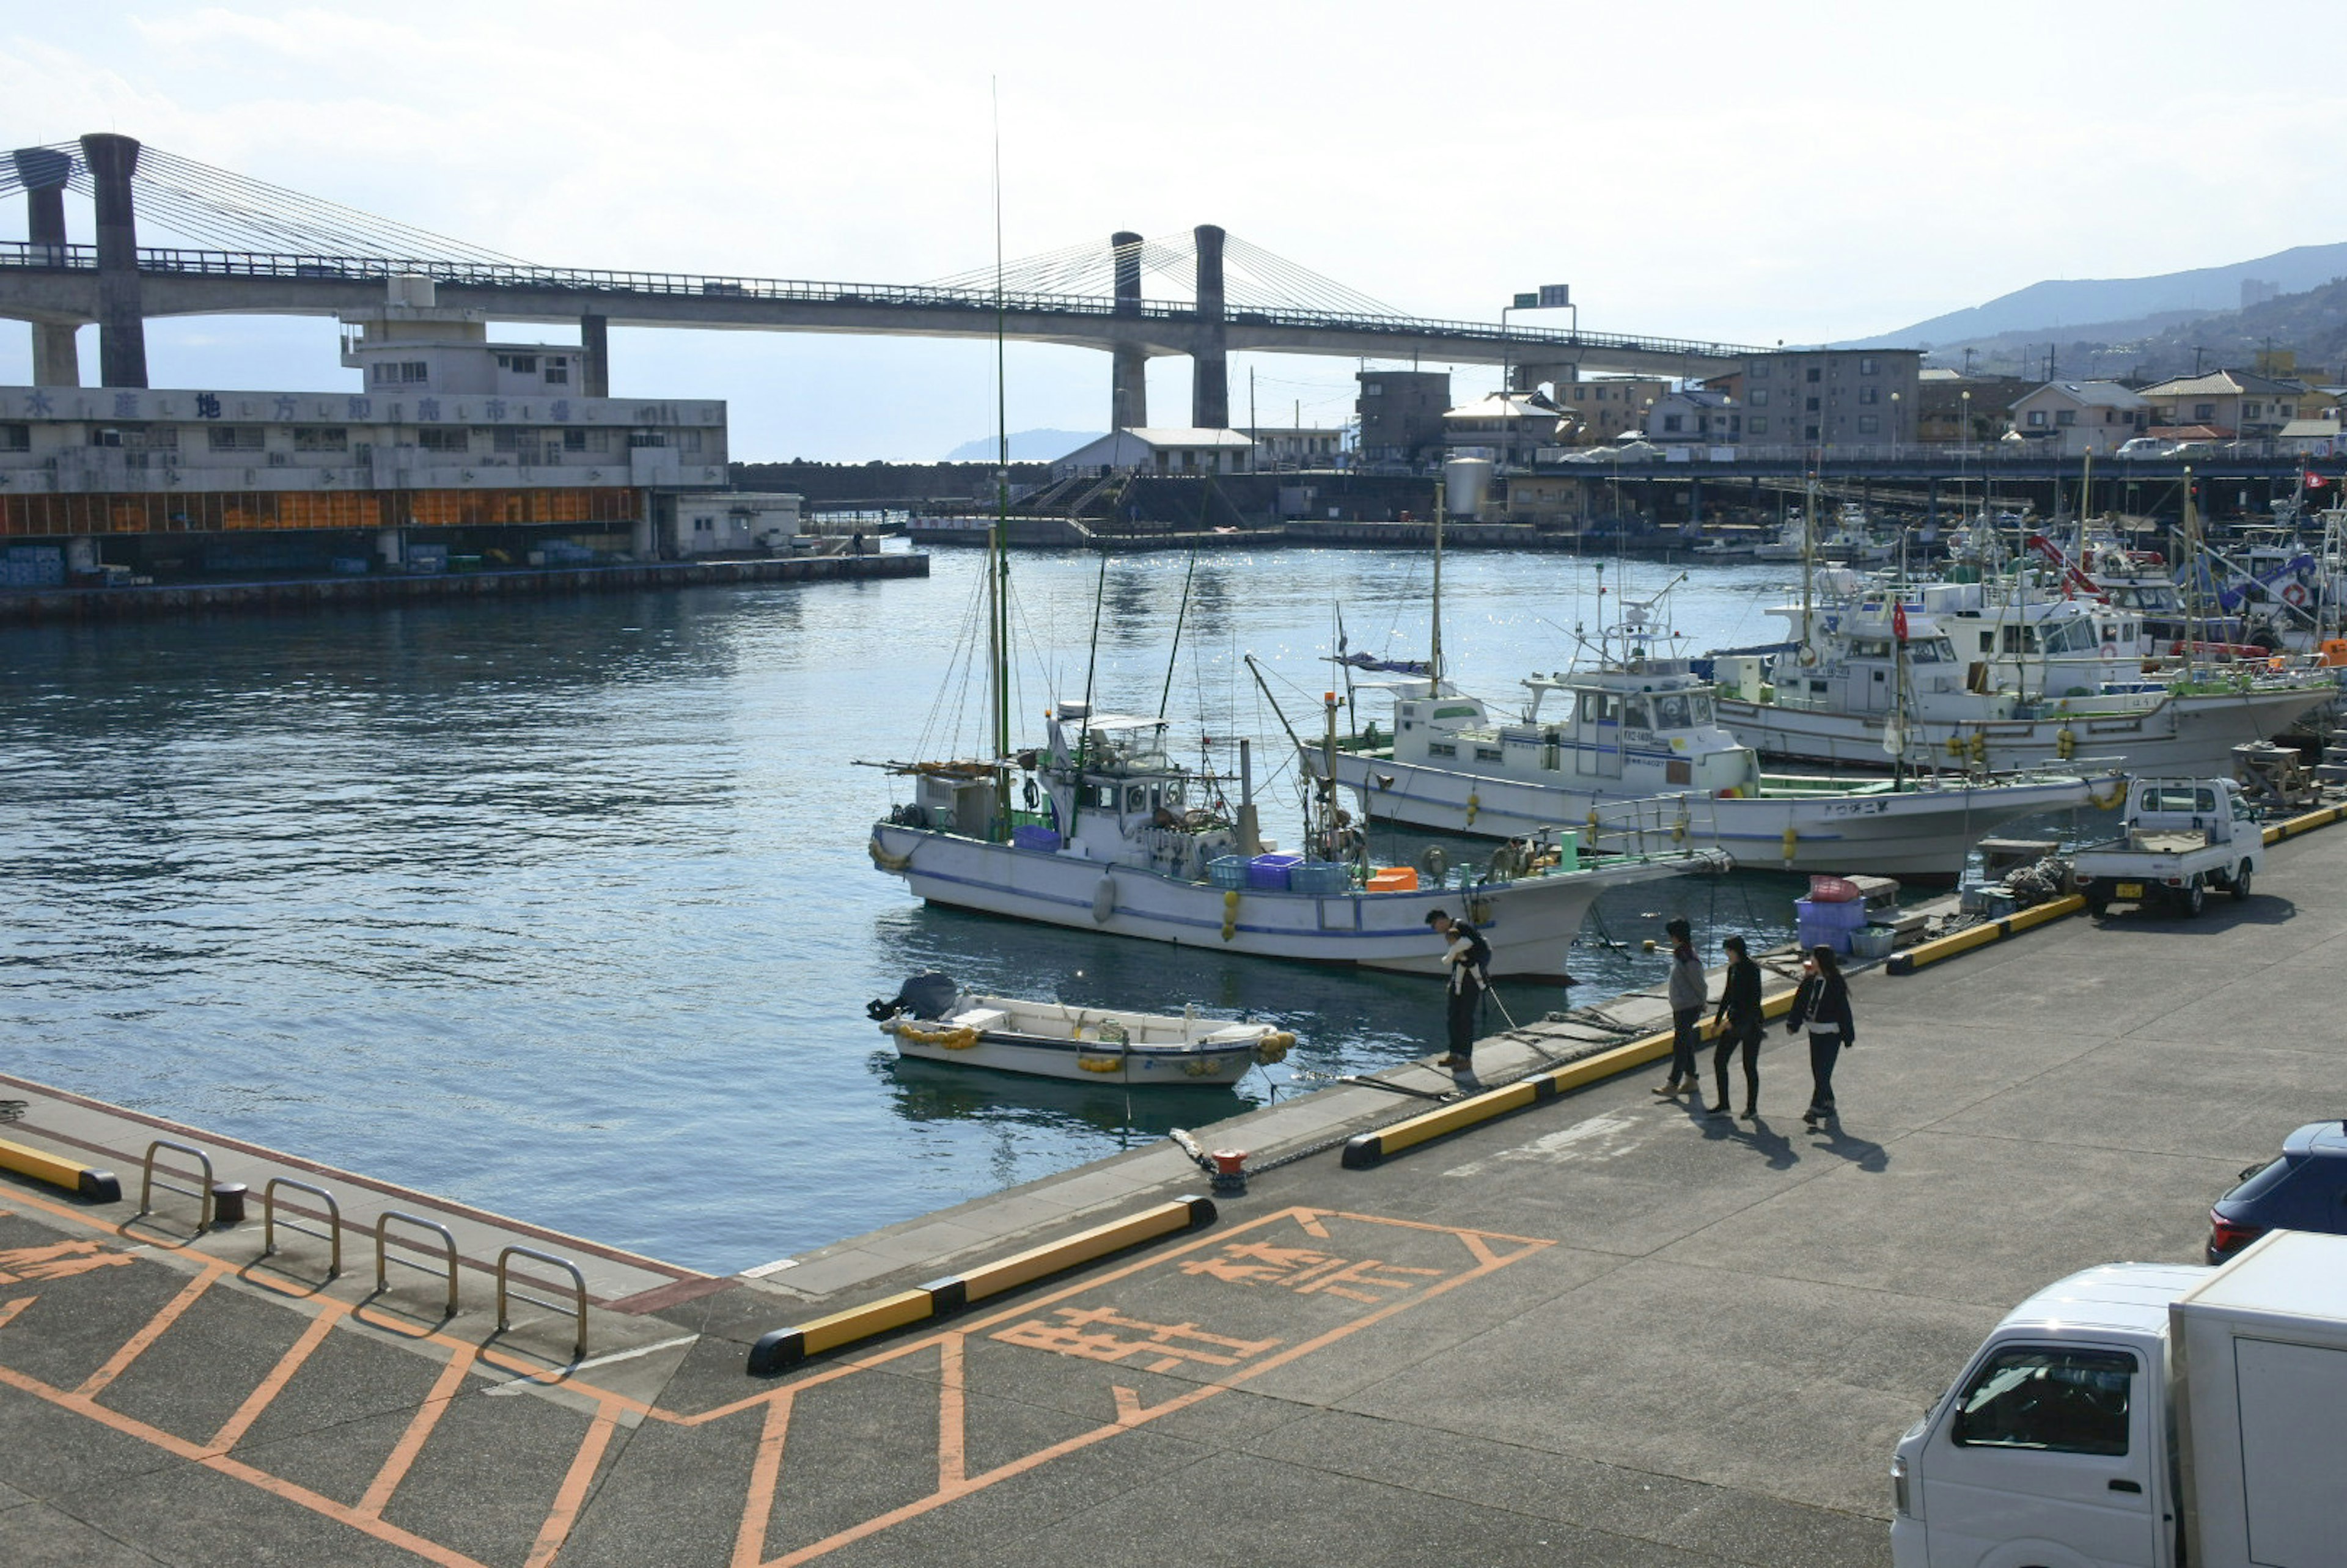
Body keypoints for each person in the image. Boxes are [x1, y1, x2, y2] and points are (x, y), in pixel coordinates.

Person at [1785, 944, 1856, 1129]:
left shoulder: (1836, 982)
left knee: (1824, 1071)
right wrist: (1793, 1024)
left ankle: (1815, 1108)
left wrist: (1848, 1035)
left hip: (1831, 1032)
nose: (1811, 961)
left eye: (1814, 958)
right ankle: (1829, 1101)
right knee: (1818, 1069)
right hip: (1814, 1030)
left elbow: (1844, 1011)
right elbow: (1799, 1004)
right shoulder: (1810, 981)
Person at [1425, 909, 1490, 1070]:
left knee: (1465, 1017)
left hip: (1470, 980)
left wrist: (1474, 966)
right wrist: (1453, 980)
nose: (1436, 930)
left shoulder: (1463, 928)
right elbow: (1456, 958)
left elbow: (1484, 951)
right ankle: (1455, 1053)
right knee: (1453, 1015)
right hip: (1459, 980)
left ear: (1441, 920)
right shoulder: (1452, 931)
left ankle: (1466, 1058)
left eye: (1434, 926)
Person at [1708, 934, 1764, 1119]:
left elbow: (1753, 1000)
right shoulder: (1733, 969)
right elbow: (1727, 996)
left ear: (1735, 951)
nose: (1727, 955)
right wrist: (1717, 1021)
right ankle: (1724, 1104)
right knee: (1719, 1060)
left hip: (1749, 1023)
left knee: (1749, 1065)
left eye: (1728, 951)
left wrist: (1733, 1020)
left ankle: (1752, 1107)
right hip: (1732, 1021)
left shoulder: (1752, 970)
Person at [1654, 917, 1705, 1097]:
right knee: (1686, 1043)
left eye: (1671, 935)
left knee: (1680, 1045)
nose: (1670, 939)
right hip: (1681, 1005)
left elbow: (1699, 983)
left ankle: (1672, 1084)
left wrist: (1702, 1002)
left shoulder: (1688, 958)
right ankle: (1691, 1080)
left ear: (1676, 936)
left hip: (1688, 1006)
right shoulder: (1681, 954)